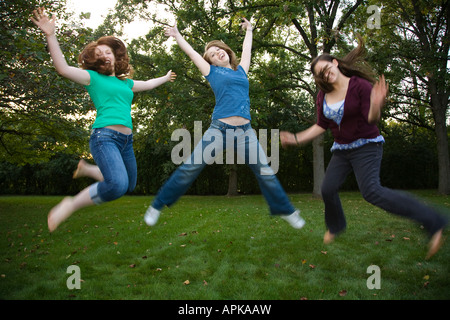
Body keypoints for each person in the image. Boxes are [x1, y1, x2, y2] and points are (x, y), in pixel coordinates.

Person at [280, 38, 447, 259]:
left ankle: (433, 222)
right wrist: (296, 138)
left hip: (366, 146)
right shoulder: (323, 96)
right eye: (319, 75)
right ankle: (336, 225)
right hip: (342, 149)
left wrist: (376, 105)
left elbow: (371, 119)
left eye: (326, 69)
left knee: (371, 192)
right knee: (327, 189)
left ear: (336, 63)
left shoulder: (359, 86)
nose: (325, 75)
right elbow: (322, 125)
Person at [144, 18, 305, 229]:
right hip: (219, 131)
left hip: (245, 133)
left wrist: (250, 30)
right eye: (212, 55)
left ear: (226, 51)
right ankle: (157, 205)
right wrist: (177, 35)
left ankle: (285, 209)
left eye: (218, 49)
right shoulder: (212, 72)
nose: (217, 53)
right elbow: (193, 54)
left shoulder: (241, 71)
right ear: (211, 62)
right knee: (190, 167)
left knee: (265, 170)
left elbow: (247, 50)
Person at [31, 7, 176, 232]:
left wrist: (165, 78)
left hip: (126, 141)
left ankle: (89, 170)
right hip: (105, 137)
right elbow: (62, 68)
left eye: (107, 51)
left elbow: (146, 84)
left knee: (130, 184)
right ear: (94, 61)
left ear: (115, 56)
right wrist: (51, 35)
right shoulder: (93, 78)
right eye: (99, 54)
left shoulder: (125, 83)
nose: (104, 55)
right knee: (117, 185)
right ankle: (70, 204)